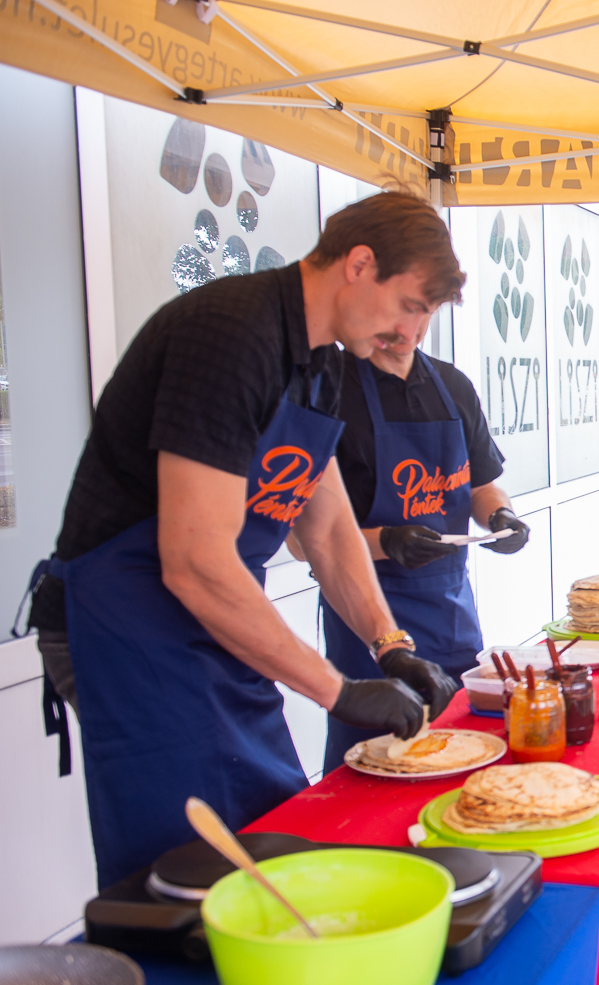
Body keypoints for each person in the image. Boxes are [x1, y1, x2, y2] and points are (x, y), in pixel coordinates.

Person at [22, 191, 461, 889]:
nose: (411, 332)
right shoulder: (229, 336)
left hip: (211, 622)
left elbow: (328, 526)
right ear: (358, 264)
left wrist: (390, 645)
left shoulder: (320, 365)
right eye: (410, 305)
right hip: (128, 626)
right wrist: (339, 691)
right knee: (188, 866)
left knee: (267, 829)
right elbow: (195, 562)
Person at [313, 250, 530, 774]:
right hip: (367, 624)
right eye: (402, 310)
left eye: (424, 313)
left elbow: (482, 486)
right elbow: (306, 540)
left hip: (451, 614)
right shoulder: (328, 388)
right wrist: (386, 541)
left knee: (464, 754)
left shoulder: (452, 387)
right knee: (373, 768)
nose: (408, 329)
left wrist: (501, 517)